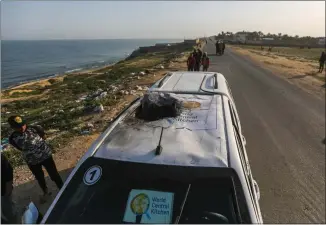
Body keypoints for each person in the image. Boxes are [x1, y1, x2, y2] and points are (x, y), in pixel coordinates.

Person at [8, 116, 63, 203]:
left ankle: (62, 189)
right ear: (13, 128)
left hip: (46, 156)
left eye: (23, 125)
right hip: (32, 162)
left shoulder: (35, 128)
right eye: (18, 127)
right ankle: (45, 192)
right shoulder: (13, 138)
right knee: (40, 177)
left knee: (54, 174)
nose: (22, 128)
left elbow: (43, 137)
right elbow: (20, 148)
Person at [1, 154, 18, 224]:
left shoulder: (2, 161)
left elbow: (9, 176)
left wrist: (8, 192)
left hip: (4, 192)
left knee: (8, 210)